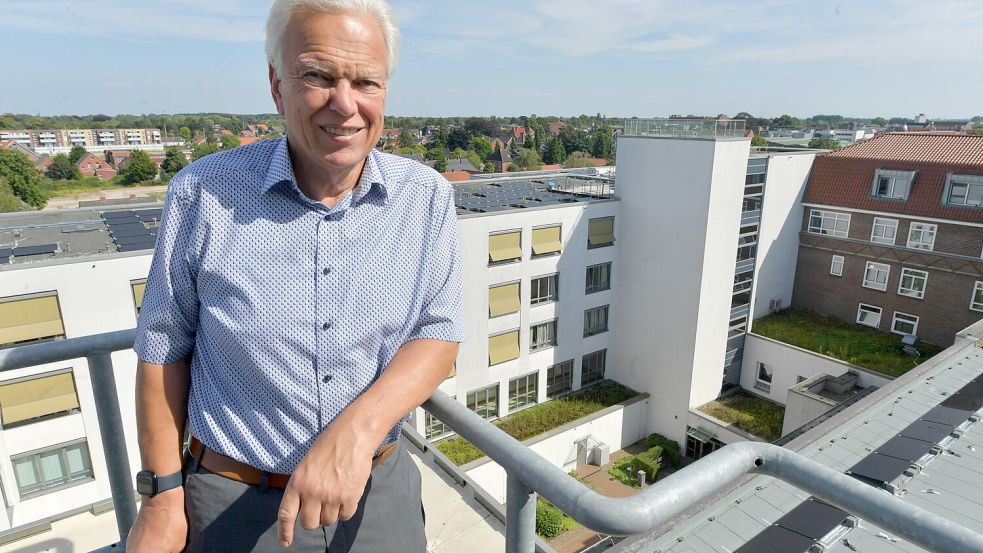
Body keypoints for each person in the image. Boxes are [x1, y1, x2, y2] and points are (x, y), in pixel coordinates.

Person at [125, 0, 464, 550]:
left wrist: (353, 434)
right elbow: (163, 350)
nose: (345, 104)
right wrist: (161, 497)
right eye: (318, 76)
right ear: (277, 84)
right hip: (237, 508)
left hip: (378, 500)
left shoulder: (425, 198)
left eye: (366, 82)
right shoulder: (202, 194)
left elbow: (439, 334)